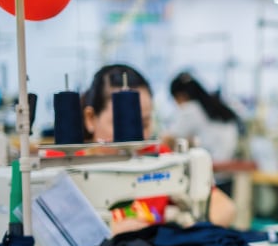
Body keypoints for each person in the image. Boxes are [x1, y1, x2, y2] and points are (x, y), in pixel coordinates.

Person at [82, 64, 236, 233]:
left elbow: (225, 208)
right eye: (121, 125)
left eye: (146, 123)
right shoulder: (64, 170)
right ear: (90, 119)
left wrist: (181, 238)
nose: (136, 136)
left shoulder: (158, 159)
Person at [164, 71, 240, 163]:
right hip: (226, 164)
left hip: (211, 164)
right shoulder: (213, 105)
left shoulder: (190, 109)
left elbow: (168, 139)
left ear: (181, 96)